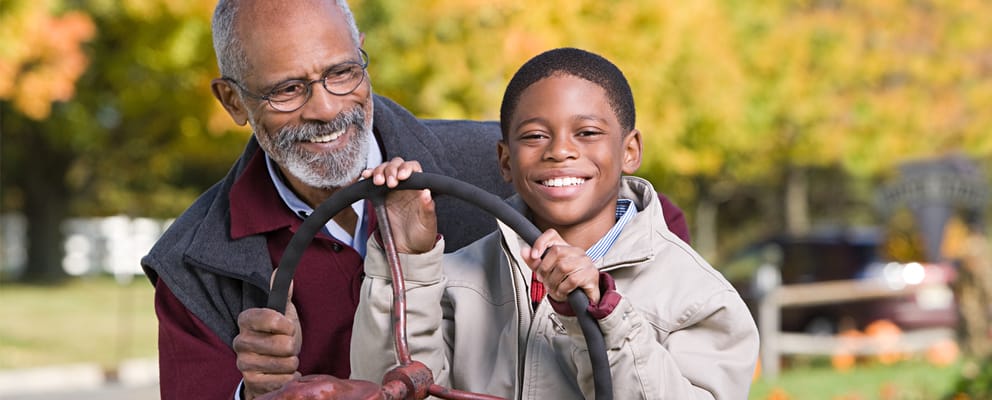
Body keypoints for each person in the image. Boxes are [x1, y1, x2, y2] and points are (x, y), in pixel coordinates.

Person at [140, 2, 692, 400]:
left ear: (365, 62)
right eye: (287, 89)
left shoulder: (501, 167)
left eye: (341, 73)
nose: (326, 108)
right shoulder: (196, 260)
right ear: (233, 100)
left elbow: (649, 228)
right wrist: (255, 391)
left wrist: (601, 304)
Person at [352, 47, 759, 399]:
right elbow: (391, 386)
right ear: (506, 161)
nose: (560, 150)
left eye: (586, 132)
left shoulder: (698, 297)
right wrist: (408, 263)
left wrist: (605, 317)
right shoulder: (456, 278)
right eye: (534, 136)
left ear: (630, 150)